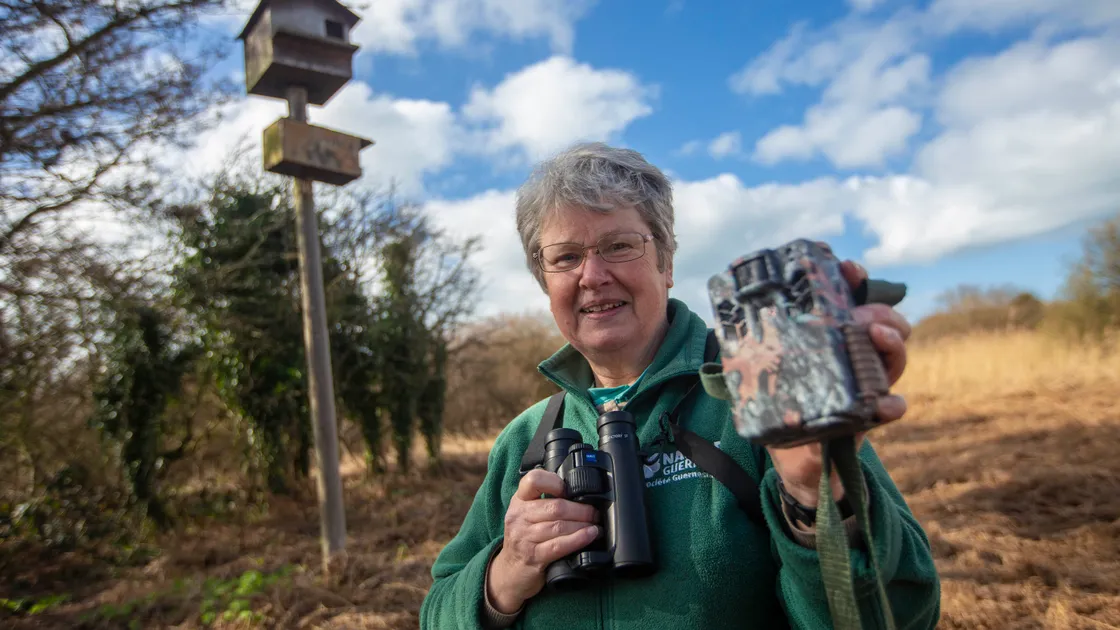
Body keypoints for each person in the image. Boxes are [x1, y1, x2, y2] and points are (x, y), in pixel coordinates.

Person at [419, 142, 941, 629]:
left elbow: (902, 613)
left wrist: (815, 497)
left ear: (666, 263)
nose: (593, 275)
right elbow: (436, 612)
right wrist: (503, 576)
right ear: (545, 282)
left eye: (619, 246)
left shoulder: (761, 403)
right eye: (566, 258)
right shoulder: (526, 439)